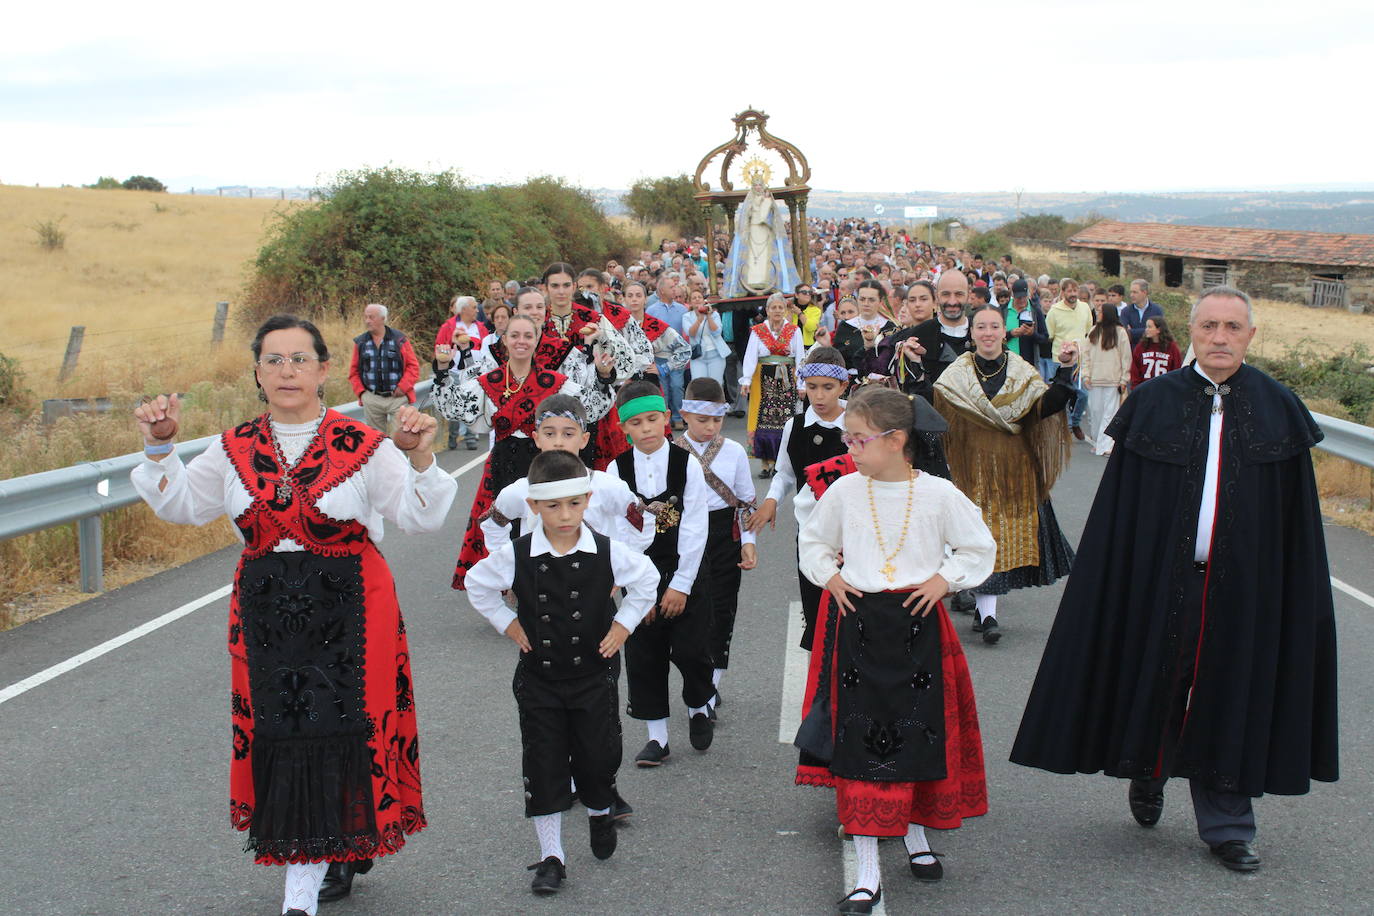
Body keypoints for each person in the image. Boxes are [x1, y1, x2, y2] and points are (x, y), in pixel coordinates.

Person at [130, 315, 457, 916]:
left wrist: (419, 457)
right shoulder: (232, 448)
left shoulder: (363, 444)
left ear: (324, 369)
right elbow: (182, 504)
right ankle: (325, 845)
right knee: (284, 731)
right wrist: (159, 447)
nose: (287, 371)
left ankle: (325, 862)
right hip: (266, 614)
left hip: (354, 609)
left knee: (349, 725)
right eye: (274, 360)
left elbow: (421, 516)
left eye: (299, 359)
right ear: (257, 372)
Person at [1010, 286, 1339, 874]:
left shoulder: (1277, 406)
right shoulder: (1155, 401)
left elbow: (1296, 521)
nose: (1220, 337)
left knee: (1231, 692)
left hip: (1244, 584)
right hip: (1159, 575)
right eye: (1209, 326)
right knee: (1156, 678)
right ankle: (1148, 769)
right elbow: (1122, 509)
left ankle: (1228, 823)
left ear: (1250, 336)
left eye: (1232, 327)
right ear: (1193, 332)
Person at [795, 386, 995, 915]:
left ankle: (916, 836)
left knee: (917, 738)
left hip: (918, 628)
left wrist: (945, 580)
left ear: (896, 440)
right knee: (861, 746)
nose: (849, 447)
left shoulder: (938, 494)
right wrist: (829, 575)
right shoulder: (844, 490)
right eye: (848, 438)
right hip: (859, 627)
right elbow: (813, 541)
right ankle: (867, 873)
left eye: (858, 439)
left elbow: (979, 547)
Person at [464, 450, 660, 895]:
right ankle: (552, 857)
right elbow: (477, 584)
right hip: (539, 680)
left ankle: (599, 813)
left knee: (597, 757)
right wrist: (508, 623)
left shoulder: (607, 551)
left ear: (587, 500)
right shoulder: (516, 555)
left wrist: (623, 625)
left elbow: (646, 580)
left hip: (593, 677)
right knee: (544, 765)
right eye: (553, 506)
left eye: (574, 503)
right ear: (533, 506)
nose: (565, 515)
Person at [933, 305, 1080, 644]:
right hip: (970, 469)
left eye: (994, 326)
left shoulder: (1022, 371)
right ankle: (981, 608)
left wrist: (1065, 369)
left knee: (998, 540)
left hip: (1014, 471)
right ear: (972, 333)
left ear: (1004, 331)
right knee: (975, 538)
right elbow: (935, 411)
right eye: (981, 327)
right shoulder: (956, 374)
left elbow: (1045, 408)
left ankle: (987, 614)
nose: (988, 333)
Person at [434, 309, 594, 588]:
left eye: (528, 336)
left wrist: (602, 374)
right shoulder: (489, 382)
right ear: (504, 340)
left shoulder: (554, 383)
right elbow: (453, 408)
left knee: (548, 523)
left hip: (546, 464)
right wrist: (443, 369)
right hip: (503, 465)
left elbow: (590, 406)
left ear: (537, 340)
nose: (522, 341)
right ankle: (514, 586)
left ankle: (551, 585)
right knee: (503, 528)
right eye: (515, 335)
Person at [605, 382, 717, 765]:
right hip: (640, 574)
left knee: (692, 649)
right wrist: (639, 591)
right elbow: (618, 533)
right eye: (636, 423)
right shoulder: (616, 470)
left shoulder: (688, 464)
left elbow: (695, 526)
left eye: (652, 419)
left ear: (666, 418)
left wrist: (681, 585)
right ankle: (657, 737)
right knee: (644, 656)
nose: (646, 429)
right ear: (623, 428)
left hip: (684, 570)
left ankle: (699, 705)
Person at [747, 347, 849, 650]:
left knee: (850, 613)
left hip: (852, 532)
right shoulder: (795, 425)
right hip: (811, 530)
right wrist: (771, 500)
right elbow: (786, 473)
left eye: (828, 387)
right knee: (816, 607)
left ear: (843, 386)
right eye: (812, 387)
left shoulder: (857, 423)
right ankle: (821, 674)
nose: (819, 396)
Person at [675, 377, 759, 710]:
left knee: (722, 610)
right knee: (690, 615)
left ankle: (711, 684)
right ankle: (698, 680)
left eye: (717, 419)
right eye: (702, 420)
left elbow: (746, 501)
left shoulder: (734, 451)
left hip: (724, 536)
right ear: (684, 415)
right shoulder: (671, 452)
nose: (710, 427)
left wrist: (749, 540)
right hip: (684, 538)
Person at [740, 293, 805, 478]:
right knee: (762, 418)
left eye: (780, 307)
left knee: (785, 419)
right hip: (762, 379)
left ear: (785, 310)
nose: (777, 311)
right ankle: (764, 461)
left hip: (787, 379)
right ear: (767, 310)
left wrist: (801, 383)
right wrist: (746, 379)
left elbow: (800, 357)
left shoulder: (794, 330)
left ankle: (780, 461)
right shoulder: (758, 331)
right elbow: (750, 356)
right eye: (773, 307)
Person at [722, 177, 801, 297]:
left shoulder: (768, 200)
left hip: (765, 230)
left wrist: (766, 202)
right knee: (751, 257)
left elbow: (768, 218)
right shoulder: (749, 201)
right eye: (755, 185)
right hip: (752, 231)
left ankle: (767, 281)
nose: (758, 187)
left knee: (765, 256)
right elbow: (745, 218)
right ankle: (751, 281)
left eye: (760, 185)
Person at [349, 303, 420, 432]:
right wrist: (362, 393)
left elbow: (413, 366)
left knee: (400, 437)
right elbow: (353, 372)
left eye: (371, 317)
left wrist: (403, 387)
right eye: (366, 317)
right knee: (376, 440)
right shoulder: (361, 342)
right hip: (372, 398)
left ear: (383, 318)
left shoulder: (399, 340)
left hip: (397, 399)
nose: (367, 321)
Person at [1079, 303, 1131, 456]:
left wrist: (1124, 379)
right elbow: (1086, 355)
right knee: (1096, 413)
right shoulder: (1094, 331)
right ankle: (1098, 442)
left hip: (1113, 381)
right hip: (1094, 380)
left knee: (1110, 414)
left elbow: (1126, 357)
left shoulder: (1120, 333)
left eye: (1100, 312)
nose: (1098, 314)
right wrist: (1086, 375)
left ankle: (1106, 445)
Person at [1045, 279, 1094, 439]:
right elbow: (1050, 335)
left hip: (1079, 359)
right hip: (1060, 361)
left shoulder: (1085, 308)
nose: (1073, 294)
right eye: (1069, 291)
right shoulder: (1054, 311)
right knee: (1061, 397)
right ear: (1063, 292)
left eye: (1075, 291)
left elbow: (1088, 331)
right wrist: (1064, 351)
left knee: (1083, 394)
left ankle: (1075, 422)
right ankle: (1061, 429)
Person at [622, 280, 691, 382]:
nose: (634, 299)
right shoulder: (617, 325)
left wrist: (665, 368)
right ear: (624, 299)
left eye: (638, 295)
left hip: (650, 382)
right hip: (624, 383)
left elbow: (685, 349)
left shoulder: (656, 326)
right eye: (630, 296)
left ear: (645, 299)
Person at [832, 280, 899, 388]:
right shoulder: (845, 326)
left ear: (880, 300)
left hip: (882, 386)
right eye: (862, 299)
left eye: (871, 300)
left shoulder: (890, 328)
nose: (866, 304)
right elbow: (838, 359)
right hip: (850, 384)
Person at [647, 277, 691, 428]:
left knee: (677, 386)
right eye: (671, 287)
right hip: (659, 356)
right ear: (662, 290)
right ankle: (664, 418)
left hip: (677, 356)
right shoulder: (651, 310)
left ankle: (678, 416)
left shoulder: (682, 310)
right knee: (663, 388)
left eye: (675, 286)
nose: (675, 290)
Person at [682, 288, 730, 386]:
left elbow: (717, 332)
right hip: (698, 357)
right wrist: (699, 320)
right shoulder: (687, 316)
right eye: (694, 298)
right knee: (699, 384)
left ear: (704, 300)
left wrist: (708, 316)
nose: (697, 299)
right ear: (690, 302)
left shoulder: (714, 314)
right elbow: (691, 333)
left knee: (716, 384)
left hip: (716, 354)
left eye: (699, 297)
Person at [1130, 315, 1183, 389]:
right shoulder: (1141, 347)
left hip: (1164, 389)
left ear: (1159, 330)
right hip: (1145, 389)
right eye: (1146, 327)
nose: (1146, 330)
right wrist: (1136, 388)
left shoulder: (1171, 347)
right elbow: (1135, 369)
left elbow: (1177, 369)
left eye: (1149, 327)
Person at [1120, 279, 1165, 346]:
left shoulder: (1157, 310)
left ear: (1144, 292)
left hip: (1151, 349)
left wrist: (1131, 332)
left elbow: (1160, 331)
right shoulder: (1125, 311)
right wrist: (1149, 330)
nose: (1131, 295)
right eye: (1131, 292)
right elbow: (1123, 333)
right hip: (1132, 350)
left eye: (1135, 292)